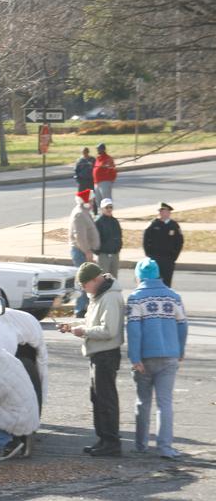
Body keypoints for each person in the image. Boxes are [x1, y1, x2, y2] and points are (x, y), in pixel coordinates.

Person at [58, 262, 125, 457]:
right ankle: (103, 439)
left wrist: (83, 331)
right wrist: (73, 326)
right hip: (98, 353)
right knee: (97, 399)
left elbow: (109, 330)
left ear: (96, 280)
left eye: (84, 285)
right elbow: (91, 322)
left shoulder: (110, 297)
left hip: (106, 354)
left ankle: (111, 441)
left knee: (106, 400)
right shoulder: (98, 294)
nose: (83, 289)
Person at [126, 258, 189, 458]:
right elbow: (182, 325)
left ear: (139, 276)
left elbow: (134, 330)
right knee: (165, 403)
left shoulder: (136, 298)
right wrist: (180, 350)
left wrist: (135, 358)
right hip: (170, 355)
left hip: (145, 358)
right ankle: (165, 447)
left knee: (142, 402)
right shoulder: (173, 297)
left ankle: (141, 444)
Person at [69, 189, 100, 316]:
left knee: (88, 280)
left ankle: (85, 307)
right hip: (81, 251)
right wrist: (87, 251)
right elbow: (79, 236)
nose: (93, 203)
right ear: (86, 201)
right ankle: (80, 309)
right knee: (84, 281)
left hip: (84, 251)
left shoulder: (85, 212)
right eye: (92, 200)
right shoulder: (79, 214)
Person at [142, 202, 184, 287]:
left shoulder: (174, 225)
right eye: (160, 211)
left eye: (164, 211)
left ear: (169, 212)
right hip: (155, 258)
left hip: (168, 258)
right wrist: (149, 255)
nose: (161, 213)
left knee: (166, 282)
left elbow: (179, 242)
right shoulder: (153, 224)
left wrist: (174, 256)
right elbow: (146, 240)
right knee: (154, 281)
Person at [94, 198, 122, 278]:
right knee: (103, 279)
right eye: (107, 207)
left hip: (115, 255)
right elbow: (94, 239)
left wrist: (118, 248)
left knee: (114, 279)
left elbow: (119, 236)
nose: (109, 209)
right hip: (103, 256)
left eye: (110, 207)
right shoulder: (98, 222)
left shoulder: (115, 221)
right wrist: (99, 252)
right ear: (102, 209)